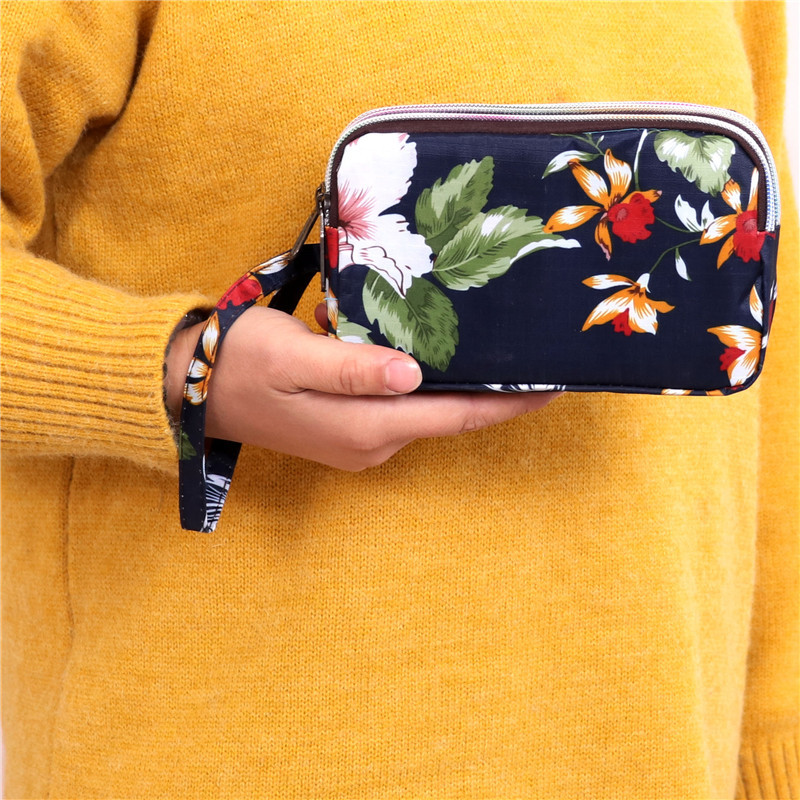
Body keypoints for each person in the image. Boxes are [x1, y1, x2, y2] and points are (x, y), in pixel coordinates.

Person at [1, 2, 797, 797]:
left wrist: (774, 748)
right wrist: (181, 369)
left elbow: (766, 338)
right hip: (231, 743)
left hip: (654, 745)